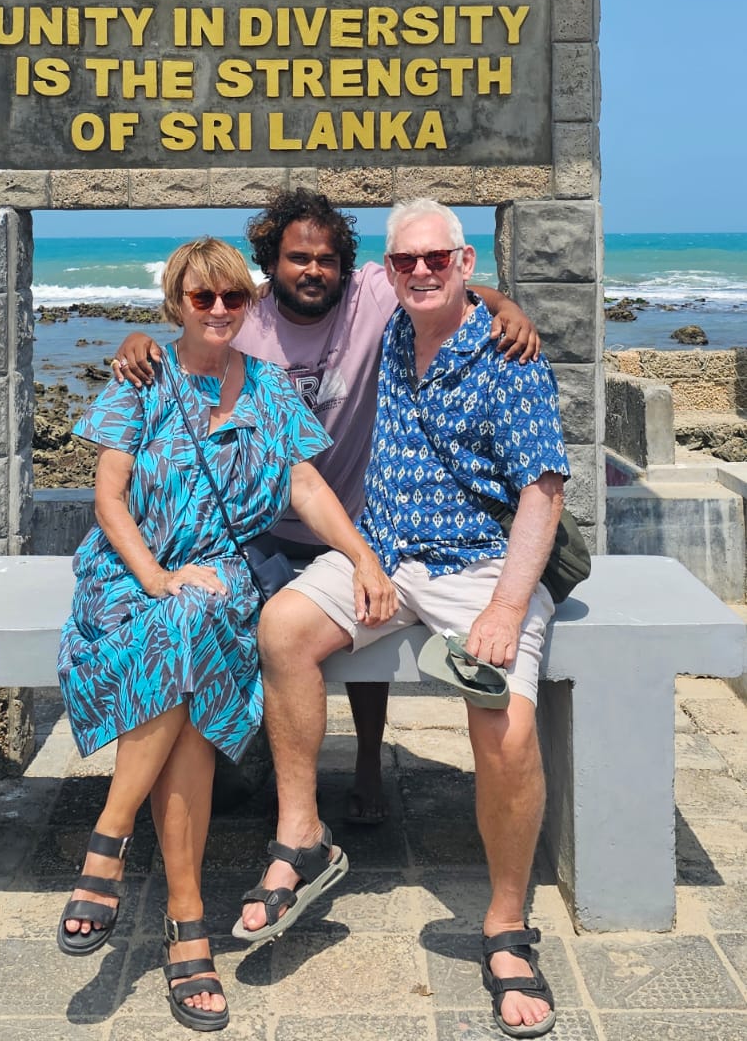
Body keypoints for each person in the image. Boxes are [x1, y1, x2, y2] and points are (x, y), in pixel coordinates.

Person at [233, 199, 569, 1041]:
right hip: (382, 552)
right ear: (385, 273)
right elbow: (207, 311)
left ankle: (503, 925)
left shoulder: (506, 356)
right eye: (406, 261)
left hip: (477, 568)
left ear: (465, 263)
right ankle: (303, 835)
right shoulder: (388, 327)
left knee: (505, 729)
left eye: (437, 260)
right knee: (283, 630)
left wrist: (504, 606)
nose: (421, 271)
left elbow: (544, 490)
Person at [114, 189, 540, 826]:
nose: (312, 270)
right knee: (247, 635)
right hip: (255, 527)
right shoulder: (244, 313)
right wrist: (136, 337)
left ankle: (368, 761)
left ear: (347, 265)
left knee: (365, 637)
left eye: (325, 259)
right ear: (271, 264)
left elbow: (443, 282)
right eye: (296, 258)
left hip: (352, 518)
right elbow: (188, 333)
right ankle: (247, 761)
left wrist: (506, 307)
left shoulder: (373, 291)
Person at [57, 237, 395, 1032]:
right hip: (128, 578)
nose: (216, 311)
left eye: (232, 299)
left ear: (249, 306)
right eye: (200, 298)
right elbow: (109, 499)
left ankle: (111, 848)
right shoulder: (141, 379)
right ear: (176, 302)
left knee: (199, 621)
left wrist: (363, 557)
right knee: (189, 638)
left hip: (217, 578)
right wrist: (155, 577)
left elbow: (305, 485)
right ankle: (186, 928)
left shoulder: (272, 389)